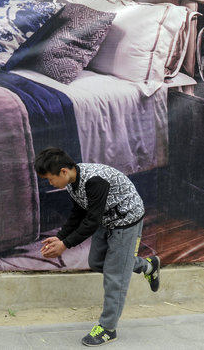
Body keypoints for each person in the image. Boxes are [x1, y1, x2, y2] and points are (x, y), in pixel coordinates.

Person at [34, 147, 160, 347]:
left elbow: (91, 221)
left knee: (114, 277)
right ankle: (148, 266)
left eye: (50, 179)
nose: (50, 183)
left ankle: (108, 328)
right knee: (97, 262)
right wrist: (59, 237)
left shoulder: (94, 181)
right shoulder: (72, 182)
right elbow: (78, 213)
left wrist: (65, 245)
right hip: (106, 219)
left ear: (64, 172)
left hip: (126, 221)